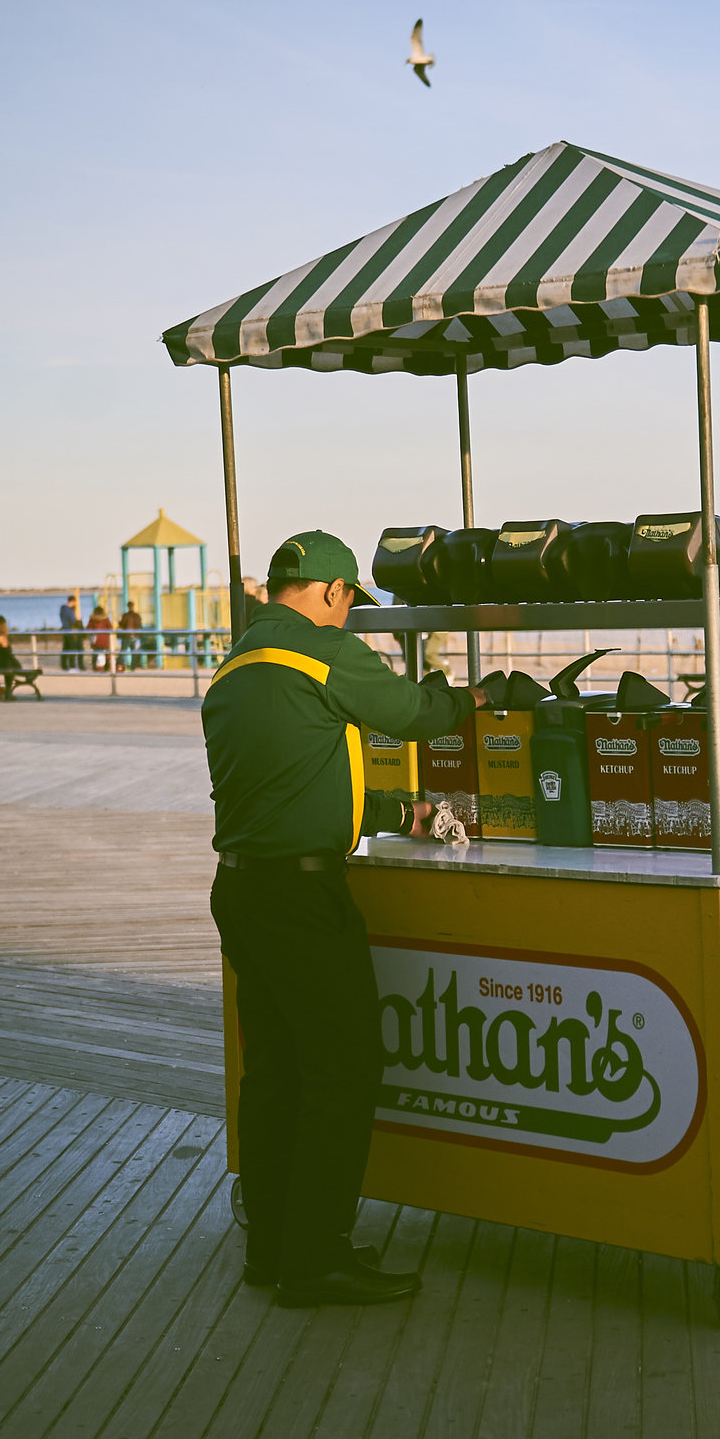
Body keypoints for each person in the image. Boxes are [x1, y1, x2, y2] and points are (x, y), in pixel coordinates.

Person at [206, 530, 472, 1308]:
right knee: (342, 1071)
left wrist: (400, 810)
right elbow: (414, 713)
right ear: (329, 590)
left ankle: (271, 1250)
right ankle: (317, 1258)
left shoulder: (238, 662)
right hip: (302, 898)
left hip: (241, 891)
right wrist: (471, 698)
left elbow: (292, 782)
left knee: (277, 1072)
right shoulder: (321, 651)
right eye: (350, 599)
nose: (349, 613)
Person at [87, 601, 114, 672]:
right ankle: (107, 667)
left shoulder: (92, 619)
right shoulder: (105, 619)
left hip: (96, 640)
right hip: (105, 640)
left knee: (95, 653)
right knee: (107, 653)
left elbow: (88, 629)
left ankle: (94, 666)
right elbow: (110, 628)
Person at [60, 593, 84, 672]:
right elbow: (72, 620)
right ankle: (72, 664)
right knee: (71, 648)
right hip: (70, 631)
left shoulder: (63, 609)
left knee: (65, 648)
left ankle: (64, 664)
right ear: (72, 601)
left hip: (65, 630)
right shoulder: (69, 610)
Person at [120, 601, 146, 670]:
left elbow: (122, 624)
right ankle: (133, 667)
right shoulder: (137, 616)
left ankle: (121, 666)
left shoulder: (125, 615)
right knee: (134, 652)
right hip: (135, 636)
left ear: (128, 607)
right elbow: (140, 626)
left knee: (123, 651)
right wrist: (139, 635)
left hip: (127, 636)